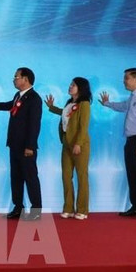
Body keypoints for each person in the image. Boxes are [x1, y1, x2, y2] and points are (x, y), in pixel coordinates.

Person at [0, 67, 43, 220]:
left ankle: (36, 209)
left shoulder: (35, 98)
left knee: (30, 177)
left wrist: (30, 146)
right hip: (14, 144)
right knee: (16, 177)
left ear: (26, 79)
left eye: (16, 77)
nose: (14, 79)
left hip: (26, 147)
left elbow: (34, 124)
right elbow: (10, 105)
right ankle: (18, 207)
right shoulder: (19, 95)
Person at [99, 68, 136, 219]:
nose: (124, 81)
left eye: (126, 78)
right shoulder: (133, 97)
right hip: (131, 140)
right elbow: (123, 106)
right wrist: (108, 104)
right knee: (133, 175)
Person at [45, 77, 92, 220]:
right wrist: (52, 107)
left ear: (81, 88)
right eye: (71, 84)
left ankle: (82, 209)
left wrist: (78, 143)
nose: (70, 87)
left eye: (73, 85)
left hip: (80, 144)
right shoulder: (69, 103)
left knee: (81, 176)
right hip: (66, 142)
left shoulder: (84, 104)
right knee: (66, 176)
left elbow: (84, 126)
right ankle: (68, 208)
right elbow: (65, 114)